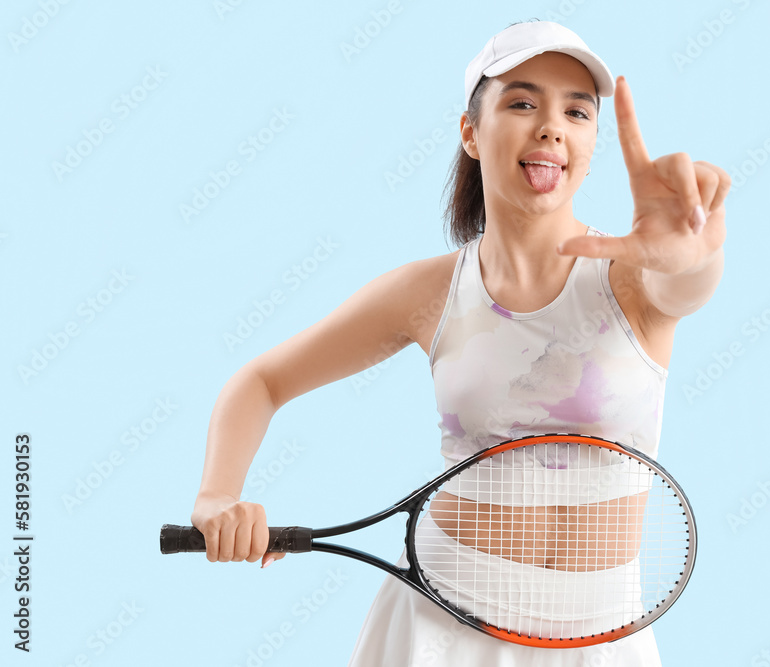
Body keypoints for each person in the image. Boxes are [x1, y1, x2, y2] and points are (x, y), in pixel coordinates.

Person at [190, 18, 728, 667]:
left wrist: (693, 255)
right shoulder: (429, 292)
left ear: (591, 141)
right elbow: (262, 382)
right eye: (522, 101)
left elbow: (688, 284)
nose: (552, 126)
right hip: (439, 626)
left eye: (577, 111)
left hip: (602, 640)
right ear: (471, 131)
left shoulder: (636, 282)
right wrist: (217, 496)